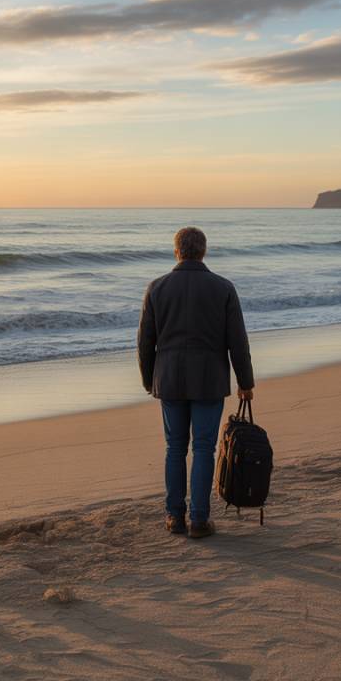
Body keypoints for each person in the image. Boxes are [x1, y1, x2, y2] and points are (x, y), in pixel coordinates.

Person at [137, 226, 254, 539]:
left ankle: (175, 517)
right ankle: (199, 520)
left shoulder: (157, 288)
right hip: (209, 378)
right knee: (204, 448)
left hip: (170, 378)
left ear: (176, 251)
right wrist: (246, 382)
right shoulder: (223, 288)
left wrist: (150, 380)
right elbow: (237, 342)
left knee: (174, 448)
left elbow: (145, 342)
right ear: (203, 251)